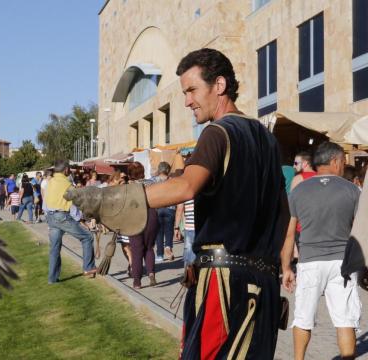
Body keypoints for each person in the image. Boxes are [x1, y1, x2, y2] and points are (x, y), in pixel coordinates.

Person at [66, 48, 288, 359]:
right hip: (264, 286)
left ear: (220, 85)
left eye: (192, 90)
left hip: (224, 285)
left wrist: (110, 199)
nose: (186, 102)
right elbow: (285, 213)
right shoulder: (268, 140)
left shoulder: (218, 132)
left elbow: (185, 186)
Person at [281, 142, 361, 360]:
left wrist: (286, 267)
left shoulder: (298, 191)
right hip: (343, 263)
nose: (344, 166)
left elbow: (289, 235)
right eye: (343, 162)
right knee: (345, 320)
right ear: (334, 161)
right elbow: (362, 231)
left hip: (309, 261)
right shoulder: (353, 190)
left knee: (303, 318)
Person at [45, 159, 96, 284]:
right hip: (62, 216)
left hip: (50, 217)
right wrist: (83, 220)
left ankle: (52, 278)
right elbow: (75, 206)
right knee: (87, 237)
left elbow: (45, 202)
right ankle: (88, 268)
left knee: (55, 248)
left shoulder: (49, 182)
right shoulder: (67, 184)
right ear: (66, 170)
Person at [126, 162, 158, 289]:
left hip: (135, 217)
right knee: (149, 247)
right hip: (151, 215)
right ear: (143, 172)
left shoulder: (128, 187)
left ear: (130, 174)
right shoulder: (151, 184)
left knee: (137, 250)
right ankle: (151, 273)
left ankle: (137, 282)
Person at [152, 161, 175, 262]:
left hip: (158, 208)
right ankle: (168, 246)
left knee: (159, 233)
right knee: (169, 231)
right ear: (168, 170)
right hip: (170, 208)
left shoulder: (154, 180)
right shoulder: (172, 181)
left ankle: (160, 255)